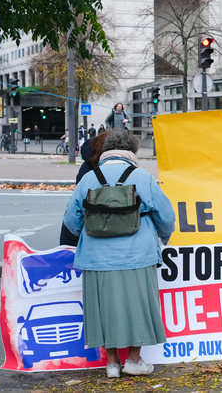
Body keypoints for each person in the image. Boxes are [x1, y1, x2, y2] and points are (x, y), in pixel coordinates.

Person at [63, 131, 175, 378]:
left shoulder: (89, 179)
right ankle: (134, 360)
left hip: (96, 257)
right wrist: (162, 237)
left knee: (104, 308)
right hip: (138, 254)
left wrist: (91, 232)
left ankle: (112, 363)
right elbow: (166, 216)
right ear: (132, 152)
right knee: (138, 306)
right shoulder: (142, 177)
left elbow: (72, 220)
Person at [60, 131, 111, 246]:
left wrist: (68, 249)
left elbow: (71, 222)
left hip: (90, 245)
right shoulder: (138, 176)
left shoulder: (86, 171)